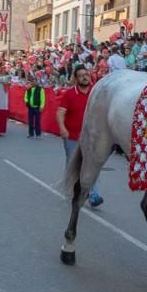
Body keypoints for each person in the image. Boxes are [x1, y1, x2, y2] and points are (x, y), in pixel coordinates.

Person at [57, 66, 102, 207]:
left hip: (91, 137)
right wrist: (63, 128)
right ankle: (71, 188)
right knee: (73, 164)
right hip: (72, 136)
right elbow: (60, 112)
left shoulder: (96, 93)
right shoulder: (69, 94)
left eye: (87, 75)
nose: (85, 77)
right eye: (81, 75)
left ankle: (93, 194)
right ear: (75, 79)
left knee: (92, 164)